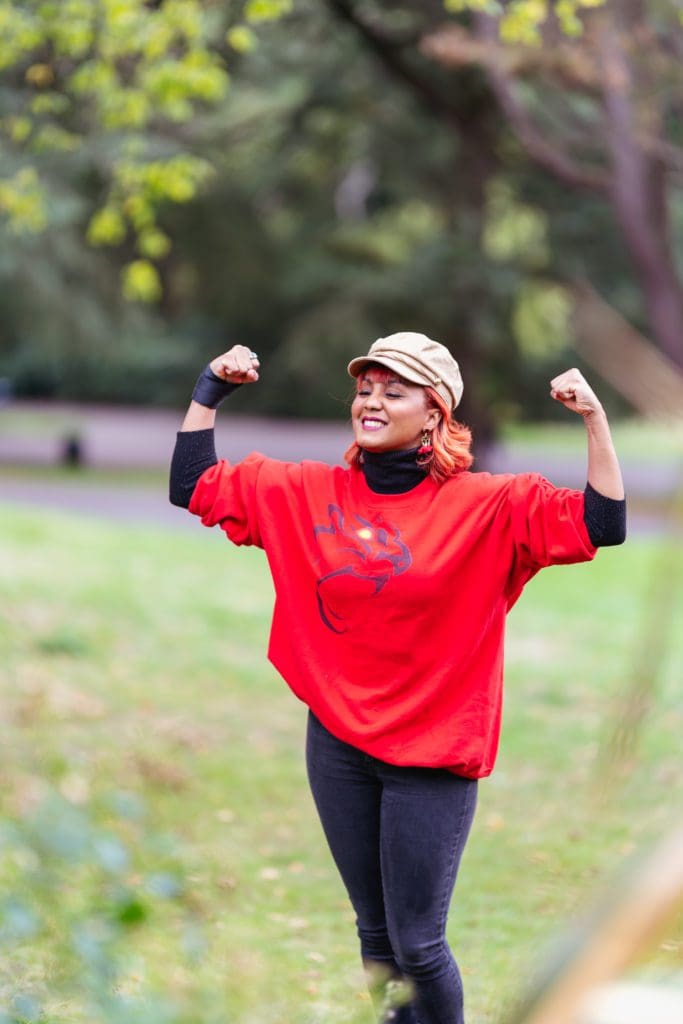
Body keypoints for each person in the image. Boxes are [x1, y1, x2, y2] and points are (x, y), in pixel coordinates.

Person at [169, 333, 626, 1024]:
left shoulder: (490, 506)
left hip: (433, 752)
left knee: (418, 942)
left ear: (435, 412)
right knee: (375, 936)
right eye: (365, 389)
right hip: (338, 745)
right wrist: (210, 389)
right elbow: (192, 485)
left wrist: (593, 418)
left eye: (394, 390)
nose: (372, 401)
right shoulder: (305, 493)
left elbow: (603, 522)